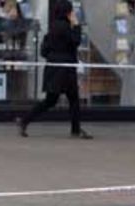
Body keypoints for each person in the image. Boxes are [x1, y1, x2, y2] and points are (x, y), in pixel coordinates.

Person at [16, 0, 92, 140]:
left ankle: (25, 120)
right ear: (68, 12)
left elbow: (44, 51)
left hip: (53, 68)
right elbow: (75, 41)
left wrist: (53, 56)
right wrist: (76, 25)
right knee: (71, 99)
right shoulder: (65, 27)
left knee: (53, 100)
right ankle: (75, 130)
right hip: (65, 69)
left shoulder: (52, 28)